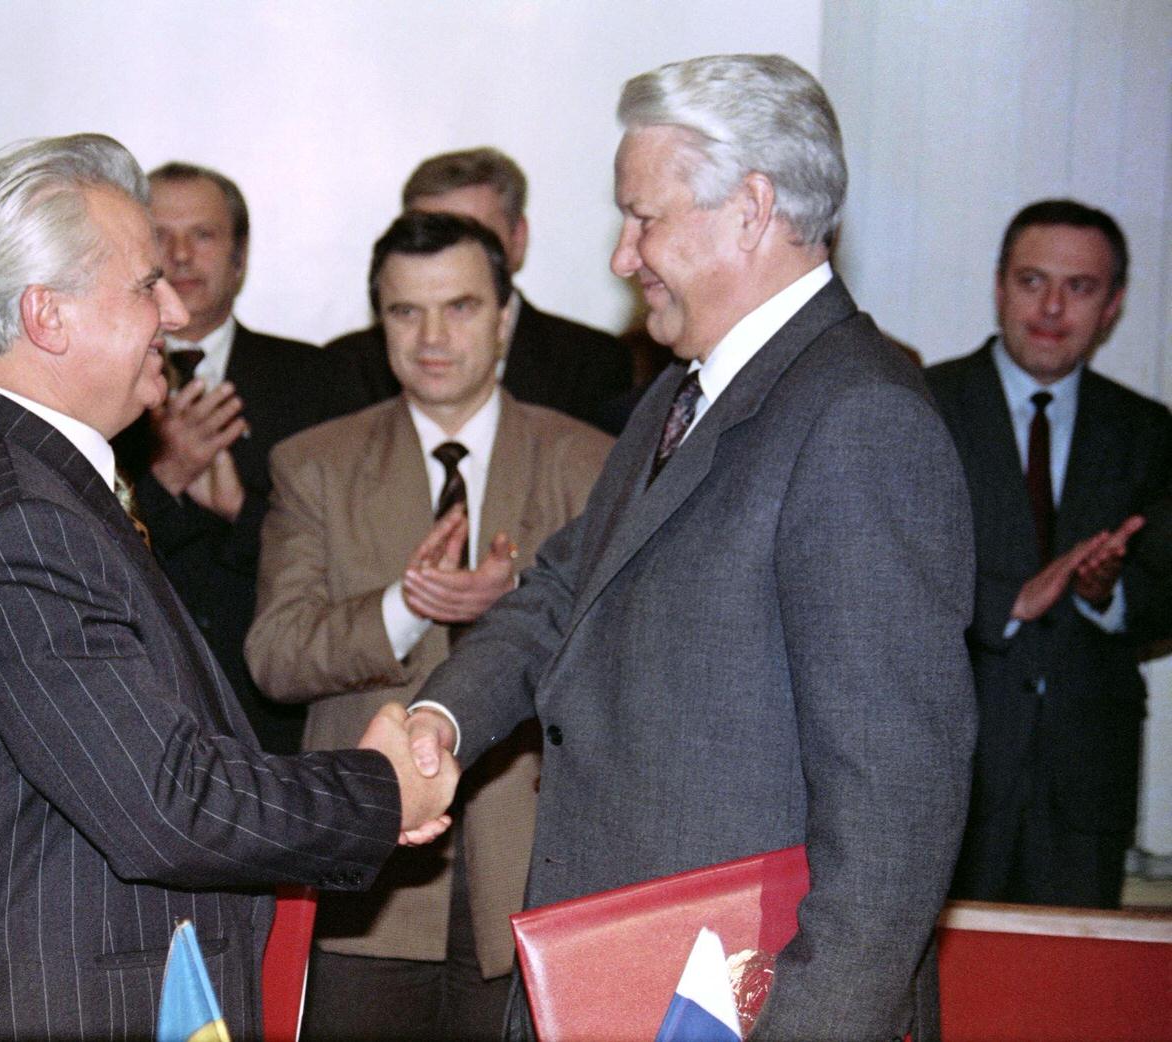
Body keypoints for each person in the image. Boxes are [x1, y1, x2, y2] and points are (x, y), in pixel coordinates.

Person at [404, 54, 978, 1042]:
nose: (623, 256)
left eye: (644, 217)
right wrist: (438, 722)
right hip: (614, 979)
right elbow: (560, 593)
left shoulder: (859, 420)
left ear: (750, 208)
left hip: (737, 1009)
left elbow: (892, 819)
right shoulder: (678, 398)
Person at [0, 134, 457, 1041]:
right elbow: (168, 804)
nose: (176, 310)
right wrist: (378, 793)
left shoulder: (19, 473)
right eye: (145, 284)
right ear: (46, 317)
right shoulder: (17, 515)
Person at [246, 211, 611, 1040]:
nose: (433, 336)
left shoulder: (588, 462)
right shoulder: (315, 463)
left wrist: (519, 596)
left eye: (461, 307)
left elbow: (631, 660)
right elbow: (274, 655)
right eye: (405, 312)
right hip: (368, 884)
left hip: (534, 872)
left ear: (507, 318)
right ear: (379, 325)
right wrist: (405, 607)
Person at [926, 199, 1172, 908]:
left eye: (1081, 287)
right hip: (954, 775)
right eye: (1033, 281)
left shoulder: (1147, 431)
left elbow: (1167, 587)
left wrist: (1107, 593)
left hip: (1084, 790)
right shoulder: (923, 403)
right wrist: (1008, 600)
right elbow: (886, 574)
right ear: (1000, 286)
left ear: (1114, 305)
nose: (1053, 307)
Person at [113, 161, 358, 754]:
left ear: (241, 257)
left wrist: (241, 511)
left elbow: (346, 558)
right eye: (158, 237)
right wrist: (165, 477)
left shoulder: (317, 379)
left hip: (279, 716)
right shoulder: (103, 380)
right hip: (142, 708)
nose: (180, 256)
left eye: (203, 235)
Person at [325, 147, 630, 432]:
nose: (448, 257)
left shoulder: (591, 363)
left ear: (518, 239)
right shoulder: (347, 367)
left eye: (475, 237)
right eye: (430, 236)